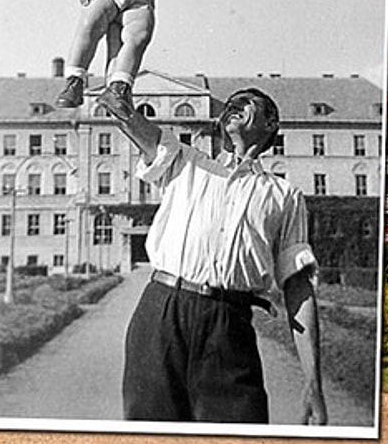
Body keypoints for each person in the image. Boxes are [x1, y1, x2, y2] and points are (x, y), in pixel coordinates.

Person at [105, 87, 328, 425]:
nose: (234, 107)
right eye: (230, 104)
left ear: (271, 124)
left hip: (230, 324)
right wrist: (122, 109)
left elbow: (298, 288)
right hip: (161, 313)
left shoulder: (285, 196)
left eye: (247, 102)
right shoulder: (187, 163)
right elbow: (144, 133)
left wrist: (313, 382)